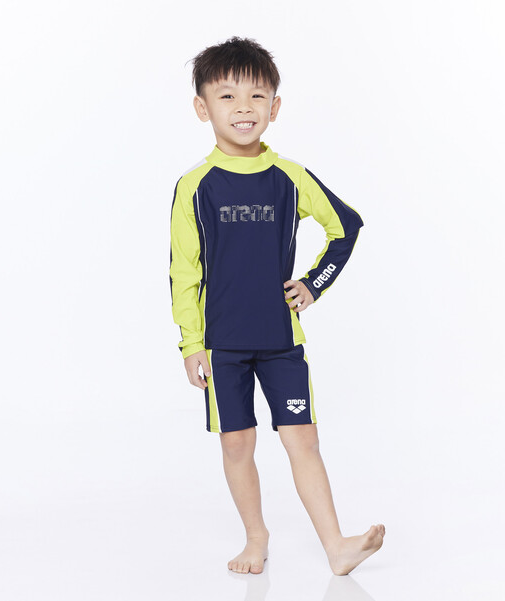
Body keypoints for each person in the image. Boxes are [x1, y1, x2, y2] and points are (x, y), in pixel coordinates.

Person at [168, 36, 385, 576]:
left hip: (282, 340)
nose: (244, 108)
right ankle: (256, 538)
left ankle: (337, 546)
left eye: (257, 96)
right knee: (237, 444)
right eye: (227, 96)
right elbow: (183, 272)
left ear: (275, 106)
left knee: (303, 439)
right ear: (202, 108)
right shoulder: (195, 186)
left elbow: (346, 227)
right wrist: (191, 344)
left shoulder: (290, 177)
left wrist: (314, 284)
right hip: (222, 346)